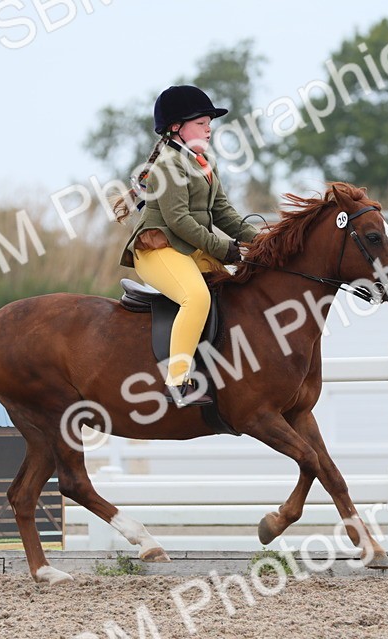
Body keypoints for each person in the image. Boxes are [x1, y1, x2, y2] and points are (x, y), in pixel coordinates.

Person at [116, 85, 261, 407]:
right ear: (175, 128)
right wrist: (224, 250)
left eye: (210, 122)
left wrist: (264, 241)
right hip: (159, 248)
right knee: (196, 297)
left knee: (234, 291)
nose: (209, 128)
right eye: (201, 123)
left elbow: (223, 212)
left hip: (190, 247)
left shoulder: (204, 162)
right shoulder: (168, 165)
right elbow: (180, 221)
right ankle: (178, 381)